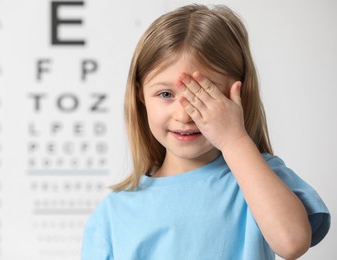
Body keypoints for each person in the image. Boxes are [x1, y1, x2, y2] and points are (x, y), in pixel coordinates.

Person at [81, 4, 330, 260]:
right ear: (140, 96)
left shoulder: (259, 177)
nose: (185, 115)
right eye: (166, 94)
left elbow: (292, 243)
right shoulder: (114, 212)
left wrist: (234, 139)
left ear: (239, 95)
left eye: (205, 95)